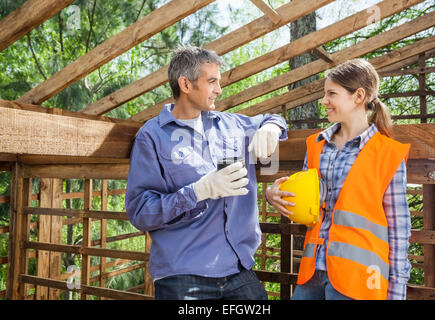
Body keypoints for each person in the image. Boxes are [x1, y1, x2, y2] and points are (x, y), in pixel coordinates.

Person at [125, 45, 287, 300]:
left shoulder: (232, 124)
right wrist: (198, 191)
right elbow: (140, 212)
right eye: (212, 81)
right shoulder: (152, 136)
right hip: (183, 275)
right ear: (186, 85)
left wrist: (273, 128)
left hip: (238, 269)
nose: (219, 90)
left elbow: (272, 118)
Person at [266, 59, 411, 300]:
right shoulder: (316, 145)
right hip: (312, 274)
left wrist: (396, 292)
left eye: (331, 93)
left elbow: (399, 230)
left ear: (358, 96)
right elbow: (305, 204)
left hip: (359, 279)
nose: (324, 101)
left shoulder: (388, 153)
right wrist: (274, 196)